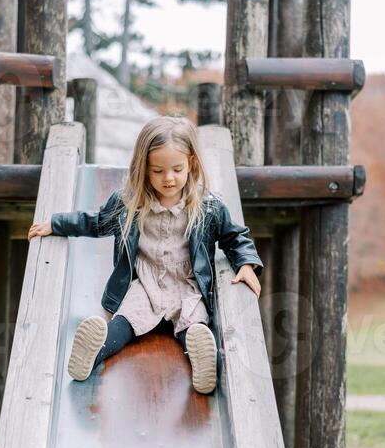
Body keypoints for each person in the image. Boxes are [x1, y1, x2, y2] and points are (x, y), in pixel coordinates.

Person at [27, 115, 263, 394]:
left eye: (177, 169)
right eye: (158, 171)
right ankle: (93, 352)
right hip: (145, 284)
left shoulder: (207, 207)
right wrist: (56, 224)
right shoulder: (130, 204)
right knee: (124, 322)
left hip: (187, 286)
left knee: (194, 322)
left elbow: (234, 236)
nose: (169, 178)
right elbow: (96, 222)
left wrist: (246, 264)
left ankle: (204, 361)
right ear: (144, 169)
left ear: (191, 164)